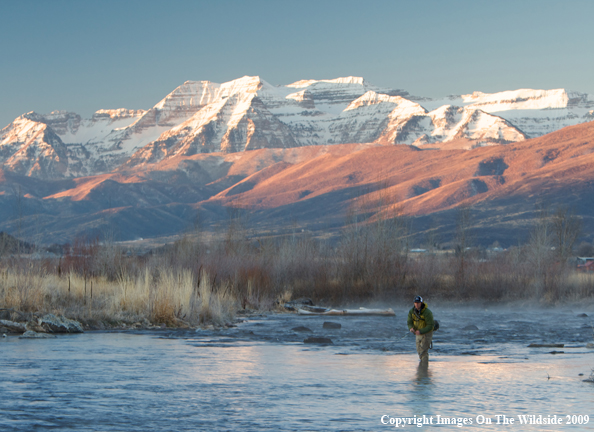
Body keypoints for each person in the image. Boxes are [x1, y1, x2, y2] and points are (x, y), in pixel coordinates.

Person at [407, 295, 434, 363]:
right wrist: (411, 328)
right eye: (415, 303)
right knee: (419, 351)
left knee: (423, 351)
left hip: (427, 334)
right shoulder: (412, 311)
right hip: (417, 333)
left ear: (421, 303)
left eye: (418, 303)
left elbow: (430, 326)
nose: (416, 304)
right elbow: (409, 321)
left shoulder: (427, 312)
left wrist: (421, 331)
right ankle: (422, 367)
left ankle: (424, 368)